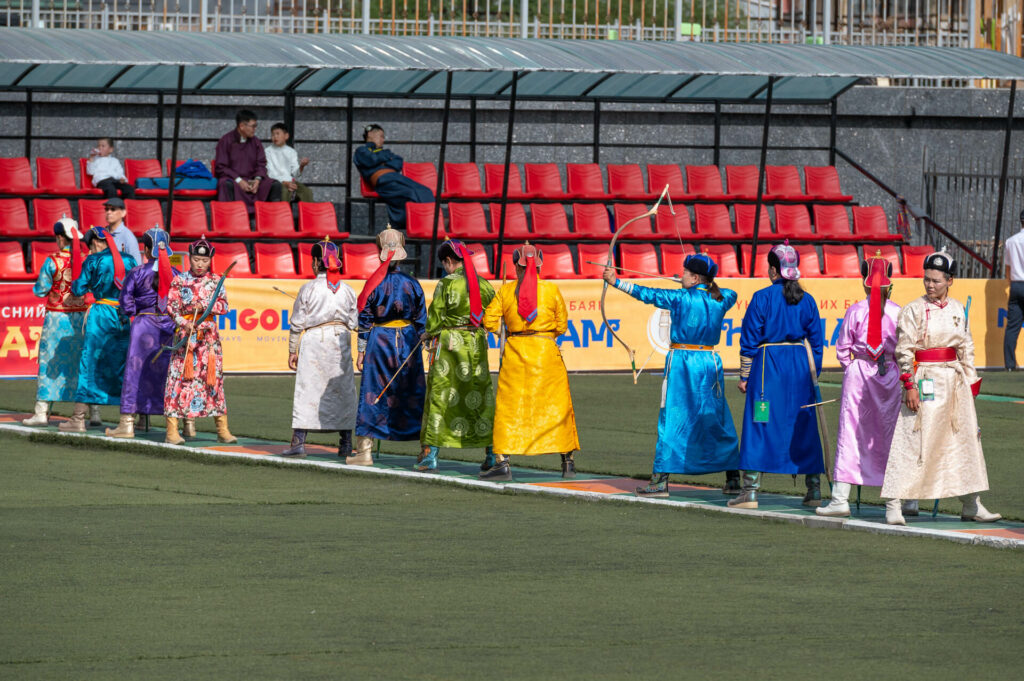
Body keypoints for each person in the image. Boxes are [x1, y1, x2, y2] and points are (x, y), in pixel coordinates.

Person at [603, 252, 741, 497]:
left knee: (672, 418)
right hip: (709, 362)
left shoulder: (680, 298)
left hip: (682, 364)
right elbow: (731, 293)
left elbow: (648, 295)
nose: (680, 276)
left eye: (685, 273)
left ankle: (659, 481)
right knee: (715, 418)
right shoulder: (722, 298)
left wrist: (617, 283)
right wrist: (699, 287)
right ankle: (733, 478)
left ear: (696, 276)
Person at [881, 252, 1001, 525]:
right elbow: (904, 351)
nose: (930, 285)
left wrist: (970, 387)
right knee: (913, 440)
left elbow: (966, 349)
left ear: (950, 281)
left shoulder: (958, 309)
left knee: (964, 441)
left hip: (955, 382)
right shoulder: (912, 309)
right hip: (925, 380)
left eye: (936, 280)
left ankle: (971, 503)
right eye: (926, 279)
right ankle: (894, 503)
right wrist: (909, 386)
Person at [729, 242, 825, 510]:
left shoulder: (762, 297)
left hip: (767, 371)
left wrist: (745, 375)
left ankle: (750, 491)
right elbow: (817, 344)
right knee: (803, 423)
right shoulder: (808, 300)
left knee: (760, 422)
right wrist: (812, 374)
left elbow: (748, 339)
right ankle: (814, 489)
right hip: (799, 370)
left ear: (773, 269)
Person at [818, 253, 907, 517]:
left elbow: (843, 348)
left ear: (865, 282)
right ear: (889, 284)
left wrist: (854, 369)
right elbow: (903, 350)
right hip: (889, 373)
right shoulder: (898, 312)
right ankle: (894, 505)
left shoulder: (856, 310)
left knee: (851, 432)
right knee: (889, 434)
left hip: (860, 372)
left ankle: (840, 499)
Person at [482, 244, 580, 481]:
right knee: (557, 407)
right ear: (539, 264)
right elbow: (562, 325)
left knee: (509, 408)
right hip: (546, 352)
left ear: (516, 265)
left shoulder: (506, 291)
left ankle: (503, 461)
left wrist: (501, 331)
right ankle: (568, 461)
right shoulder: (552, 289)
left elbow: (488, 320)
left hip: (517, 352)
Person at [419, 239, 496, 472]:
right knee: (481, 397)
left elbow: (435, 317)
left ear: (449, 261)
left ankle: (430, 455)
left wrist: (427, 334)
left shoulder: (446, 283)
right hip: (476, 344)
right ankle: (492, 454)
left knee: (440, 396)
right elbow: (492, 316)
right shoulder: (484, 284)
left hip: (451, 345)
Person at [352, 228, 427, 466]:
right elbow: (421, 320)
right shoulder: (412, 283)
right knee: (412, 391)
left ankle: (364, 451)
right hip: (408, 339)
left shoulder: (373, 284)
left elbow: (364, 320)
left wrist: (361, 350)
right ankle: (425, 450)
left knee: (373, 390)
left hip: (380, 339)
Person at [281, 238, 359, 459]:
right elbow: (354, 322)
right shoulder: (347, 290)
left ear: (316, 262)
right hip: (341, 340)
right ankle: (345, 443)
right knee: (343, 390)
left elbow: (297, 323)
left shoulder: (308, 288)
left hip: (315, 339)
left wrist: (292, 350)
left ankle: (299, 442)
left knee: (308, 389)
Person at [58, 226, 138, 433]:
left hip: (102, 314)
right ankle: (127, 421)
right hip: (123, 316)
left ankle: (78, 418)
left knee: (90, 363)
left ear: (94, 242)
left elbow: (78, 289)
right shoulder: (129, 259)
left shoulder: (93, 260)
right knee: (122, 364)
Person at [105, 228, 180, 438]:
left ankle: (127, 423)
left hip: (144, 325)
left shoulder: (138, 272)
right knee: (168, 374)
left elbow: (125, 302)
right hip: (169, 326)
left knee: (136, 372)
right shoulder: (177, 274)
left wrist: (133, 311)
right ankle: (182, 424)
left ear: (146, 250)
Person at [163, 238, 236, 445]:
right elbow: (171, 307)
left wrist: (207, 306)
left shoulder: (215, 281)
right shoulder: (180, 280)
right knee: (178, 380)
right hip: (186, 337)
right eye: (196, 259)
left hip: (208, 340)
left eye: (204, 260)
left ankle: (222, 429)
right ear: (190, 259)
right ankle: (172, 431)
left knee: (213, 381)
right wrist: (183, 323)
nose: (200, 264)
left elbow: (224, 307)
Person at [22, 217, 88, 427]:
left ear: (60, 238)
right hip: (80, 318)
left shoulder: (53, 261)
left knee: (49, 361)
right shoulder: (86, 259)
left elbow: (40, 289)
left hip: (57, 318)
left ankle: (41, 412)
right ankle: (92, 413)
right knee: (81, 363)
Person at [353, 124, 433, 230]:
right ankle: (424, 222)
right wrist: (383, 156)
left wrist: (381, 158)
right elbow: (370, 160)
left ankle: (433, 220)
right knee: (409, 193)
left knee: (424, 190)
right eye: (380, 136)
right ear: (370, 135)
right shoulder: (362, 151)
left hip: (395, 177)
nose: (383, 140)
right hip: (382, 180)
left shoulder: (386, 152)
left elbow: (398, 162)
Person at [214, 109, 281, 214]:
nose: (255, 129)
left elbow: (261, 164)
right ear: (241, 126)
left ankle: (271, 220)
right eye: (253, 126)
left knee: (274, 185)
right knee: (225, 184)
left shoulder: (256, 142)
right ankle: (232, 220)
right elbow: (221, 167)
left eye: (255, 126)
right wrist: (239, 180)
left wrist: (257, 180)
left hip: (252, 181)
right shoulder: (225, 141)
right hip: (234, 180)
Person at [264, 122, 313, 203]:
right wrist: (285, 183)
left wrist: (301, 166)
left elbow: (295, 173)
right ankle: (284, 214)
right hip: (276, 182)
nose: (275, 136)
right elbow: (270, 173)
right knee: (285, 192)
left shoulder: (291, 151)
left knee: (307, 192)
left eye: (277, 134)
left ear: (286, 136)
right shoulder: (267, 151)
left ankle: (310, 214)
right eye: (273, 134)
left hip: (290, 181)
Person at [1003, 209, 1024, 371]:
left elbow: (1008, 268)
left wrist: (1010, 284)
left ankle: (1009, 365)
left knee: (1012, 327)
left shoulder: (1011, 241)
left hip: (1016, 285)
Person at [99, 197, 143, 267]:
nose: (108, 212)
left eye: (113, 209)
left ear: (123, 213)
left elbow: (137, 265)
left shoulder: (128, 237)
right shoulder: (102, 233)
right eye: (106, 209)